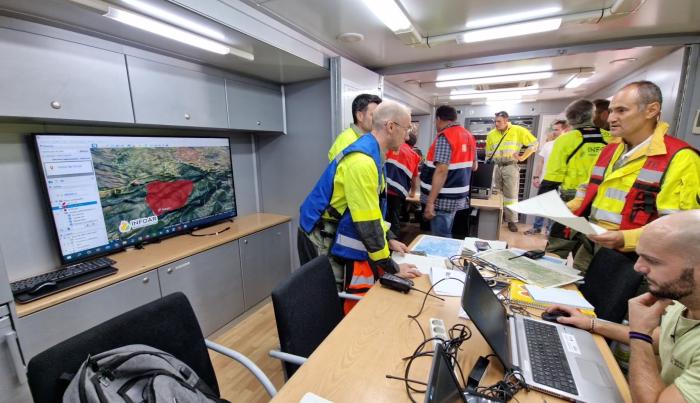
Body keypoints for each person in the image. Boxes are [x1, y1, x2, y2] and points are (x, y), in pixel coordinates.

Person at [546, 210, 700, 403]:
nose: (637, 268)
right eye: (640, 256)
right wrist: (592, 324)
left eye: (653, 261)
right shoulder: (683, 303)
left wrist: (640, 334)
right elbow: (662, 339)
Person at [298, 101, 421, 312]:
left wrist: (390, 238)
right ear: (391, 127)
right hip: (318, 234)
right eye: (406, 128)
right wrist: (392, 268)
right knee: (329, 298)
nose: (408, 136)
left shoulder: (375, 155)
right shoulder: (363, 162)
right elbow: (368, 224)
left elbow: (372, 209)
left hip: (332, 229)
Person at [566, 81, 700, 272]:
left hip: (637, 259)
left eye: (621, 110)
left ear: (651, 110)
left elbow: (680, 228)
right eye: (611, 111)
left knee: (611, 302)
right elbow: (588, 189)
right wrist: (564, 209)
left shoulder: (681, 158)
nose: (611, 118)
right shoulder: (610, 150)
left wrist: (626, 239)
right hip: (591, 246)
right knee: (574, 298)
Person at [536, 100, 611, 263]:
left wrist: (542, 202)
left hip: (572, 202)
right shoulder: (610, 139)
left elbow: (553, 177)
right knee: (587, 251)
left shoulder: (565, 140)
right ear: (593, 115)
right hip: (600, 203)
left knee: (557, 248)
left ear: (570, 119)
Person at [420, 105, 477, 238]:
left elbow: (441, 171)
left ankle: (442, 259)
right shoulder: (469, 136)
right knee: (447, 232)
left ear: (439, 119)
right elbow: (474, 166)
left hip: (443, 199)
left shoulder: (445, 137)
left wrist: (430, 202)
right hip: (458, 197)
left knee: (441, 238)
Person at [485, 111, 538, 232]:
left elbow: (534, 144)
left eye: (499, 121)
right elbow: (488, 153)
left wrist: (523, 157)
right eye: (495, 121)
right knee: (495, 194)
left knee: (511, 195)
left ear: (506, 120)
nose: (496, 124)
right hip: (496, 166)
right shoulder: (491, 134)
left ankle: (511, 221)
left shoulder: (518, 130)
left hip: (510, 166)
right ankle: (497, 218)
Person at [524, 119, 569, 235]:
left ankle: (550, 230)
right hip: (546, 180)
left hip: (561, 182)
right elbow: (541, 162)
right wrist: (536, 177)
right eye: (553, 130)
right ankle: (537, 227)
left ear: (565, 130)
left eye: (557, 130)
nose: (554, 132)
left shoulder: (569, 146)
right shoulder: (548, 145)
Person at [385, 127, 421, 236]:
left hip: (383, 188)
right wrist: (413, 193)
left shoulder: (392, 147)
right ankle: (393, 243)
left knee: (382, 216)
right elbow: (414, 179)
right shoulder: (414, 156)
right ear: (414, 145)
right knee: (394, 218)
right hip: (397, 192)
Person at [327, 93, 382, 161]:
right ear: (360, 116)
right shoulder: (346, 141)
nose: (378, 119)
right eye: (373, 115)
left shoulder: (368, 138)